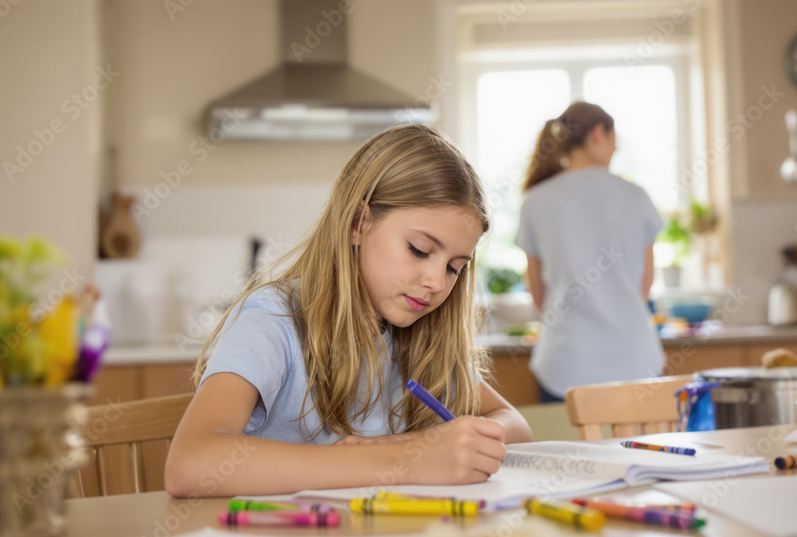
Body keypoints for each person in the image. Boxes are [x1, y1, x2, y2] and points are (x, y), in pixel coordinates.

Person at [166, 124, 532, 498]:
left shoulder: (420, 336)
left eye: (455, 267)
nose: (438, 282)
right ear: (358, 224)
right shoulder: (275, 319)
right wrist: (408, 459)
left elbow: (515, 425)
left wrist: (432, 445)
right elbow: (189, 464)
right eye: (420, 250)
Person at [515, 102, 666, 403]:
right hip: (634, 362)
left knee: (566, 450)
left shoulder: (535, 200)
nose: (613, 151)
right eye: (614, 142)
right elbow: (644, 285)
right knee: (639, 450)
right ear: (599, 133)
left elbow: (537, 289)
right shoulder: (636, 197)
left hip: (564, 364)